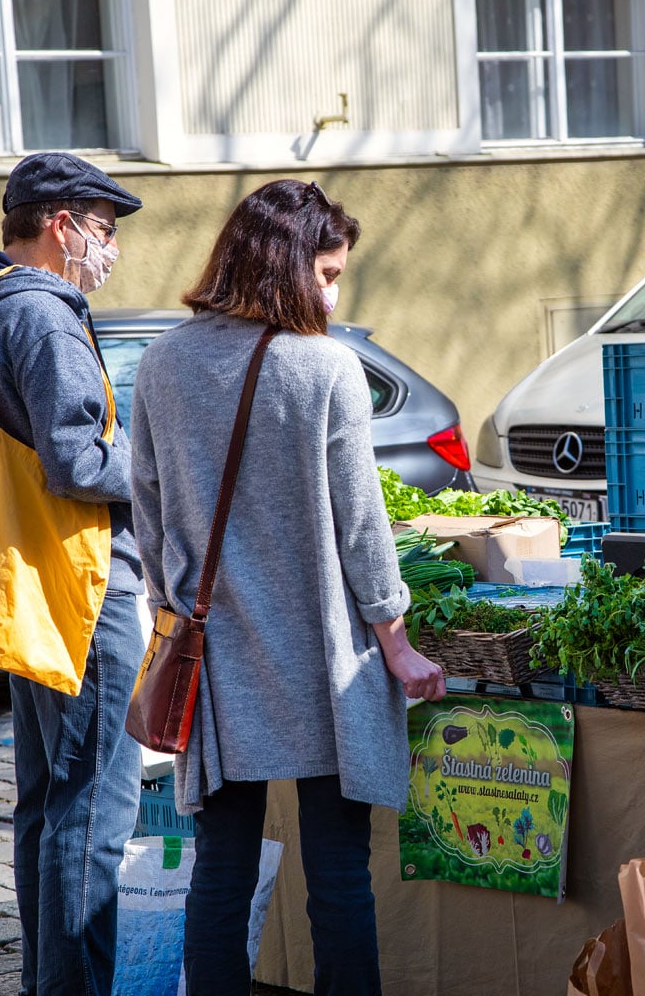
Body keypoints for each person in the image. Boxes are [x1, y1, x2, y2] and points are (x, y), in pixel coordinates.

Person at [127, 178, 446, 995]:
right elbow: (363, 529)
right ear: (284, 266)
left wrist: (173, 602)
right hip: (324, 663)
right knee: (339, 877)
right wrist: (399, 645)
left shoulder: (162, 364)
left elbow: (151, 512)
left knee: (220, 875)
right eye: (329, 275)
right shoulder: (325, 368)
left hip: (218, 662)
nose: (335, 295)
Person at [0, 152, 146, 995]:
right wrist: (161, 464)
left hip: (24, 583)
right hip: (80, 584)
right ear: (59, 225)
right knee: (92, 815)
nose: (109, 250)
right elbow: (76, 460)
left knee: (48, 806)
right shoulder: (48, 315)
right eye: (102, 231)